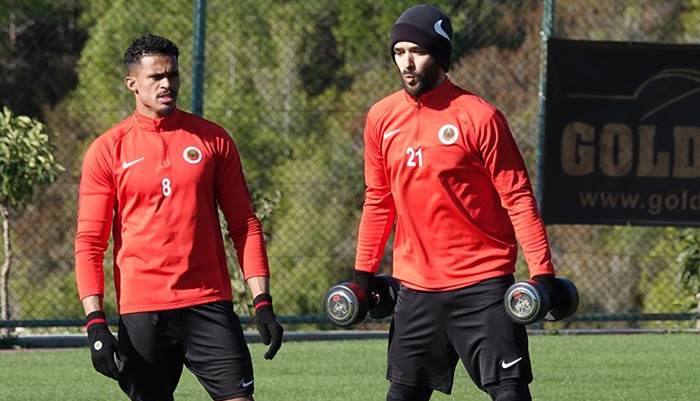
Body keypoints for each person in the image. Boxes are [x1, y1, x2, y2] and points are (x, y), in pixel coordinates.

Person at [352, 5, 558, 401]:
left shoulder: (480, 117)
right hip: (415, 288)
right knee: (403, 394)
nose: (407, 63)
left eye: (418, 51)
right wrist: (363, 275)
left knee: (510, 393)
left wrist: (542, 275)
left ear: (441, 55)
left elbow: (517, 197)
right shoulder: (381, 117)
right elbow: (378, 200)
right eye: (399, 52)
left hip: (482, 285)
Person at [74, 34, 283, 401]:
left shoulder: (213, 140)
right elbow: (90, 243)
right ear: (132, 83)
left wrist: (261, 301)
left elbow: (244, 225)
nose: (167, 84)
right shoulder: (107, 150)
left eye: (172, 74)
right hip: (143, 310)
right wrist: (95, 323)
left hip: (208, 302)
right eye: (156, 77)